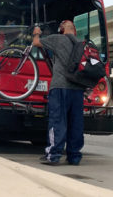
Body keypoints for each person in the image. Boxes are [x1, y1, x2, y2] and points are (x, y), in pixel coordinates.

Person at [32, 20, 85, 165]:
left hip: (60, 86)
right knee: (76, 124)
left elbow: (36, 43)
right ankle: (74, 157)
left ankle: (53, 155)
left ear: (61, 29)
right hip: (78, 89)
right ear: (74, 30)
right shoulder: (81, 44)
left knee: (58, 121)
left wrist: (37, 31)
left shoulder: (57, 38)